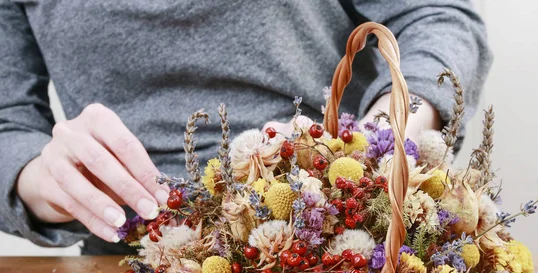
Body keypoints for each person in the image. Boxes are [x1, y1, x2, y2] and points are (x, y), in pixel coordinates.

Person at [0, 0, 492, 255]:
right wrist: (40, 180)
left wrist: (387, 132)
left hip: (338, 239)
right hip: (140, 267)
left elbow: (435, 15)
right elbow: (8, 125)